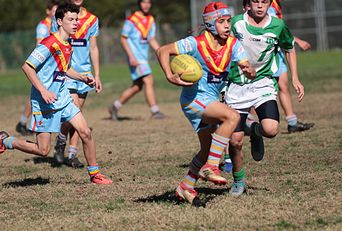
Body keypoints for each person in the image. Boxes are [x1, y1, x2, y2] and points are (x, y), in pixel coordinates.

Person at [0, 2, 112, 185]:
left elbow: (65, 68)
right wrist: (43, 91)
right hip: (44, 101)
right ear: (59, 21)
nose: (75, 23)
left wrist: (84, 78)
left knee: (85, 132)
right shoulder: (49, 43)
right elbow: (27, 67)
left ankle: (95, 174)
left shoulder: (68, 44)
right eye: (71, 19)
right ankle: (6, 141)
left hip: (63, 97)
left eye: (76, 19)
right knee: (43, 150)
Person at [156, 2, 255, 206]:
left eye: (228, 21)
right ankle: (211, 166)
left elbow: (245, 63)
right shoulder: (194, 43)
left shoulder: (233, 44)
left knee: (206, 147)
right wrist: (169, 76)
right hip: (194, 100)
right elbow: (162, 51)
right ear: (210, 24)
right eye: (221, 22)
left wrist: (248, 70)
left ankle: (185, 187)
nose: (227, 25)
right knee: (232, 116)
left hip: (210, 100)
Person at [224, 0, 304, 196]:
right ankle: (238, 180)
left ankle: (256, 132)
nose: (260, 6)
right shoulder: (236, 23)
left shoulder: (278, 25)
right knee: (235, 141)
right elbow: (220, 44)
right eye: (255, 2)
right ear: (247, 5)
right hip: (236, 86)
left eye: (264, 2)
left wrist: (295, 78)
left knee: (271, 129)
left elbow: (289, 48)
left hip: (263, 84)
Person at [245, 0, 314, 133]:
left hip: (277, 52)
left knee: (283, 85)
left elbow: (278, 28)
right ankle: (250, 122)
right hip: (268, 55)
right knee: (256, 86)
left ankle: (291, 121)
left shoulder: (274, 4)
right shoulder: (266, 6)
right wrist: (298, 41)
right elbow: (272, 29)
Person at [52, 0, 102, 168]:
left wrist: (97, 74)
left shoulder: (92, 19)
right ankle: (60, 141)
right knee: (73, 109)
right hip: (68, 71)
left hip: (85, 73)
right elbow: (54, 42)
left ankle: (71, 153)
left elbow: (93, 48)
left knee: (78, 111)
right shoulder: (61, 17)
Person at [109, 0, 165, 120]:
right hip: (135, 57)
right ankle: (155, 111)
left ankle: (115, 106)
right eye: (144, 2)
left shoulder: (151, 20)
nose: (146, 5)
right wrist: (131, 56)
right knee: (149, 79)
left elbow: (151, 39)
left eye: (149, 2)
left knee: (137, 86)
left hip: (143, 58)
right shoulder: (131, 20)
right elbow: (123, 39)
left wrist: (161, 51)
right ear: (139, 3)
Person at [15, 0, 60, 136]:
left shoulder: (57, 24)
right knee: (38, 93)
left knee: (40, 93)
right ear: (48, 11)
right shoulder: (43, 26)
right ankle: (26, 123)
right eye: (54, 10)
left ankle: (24, 123)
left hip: (52, 64)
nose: (55, 13)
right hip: (43, 65)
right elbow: (40, 45)